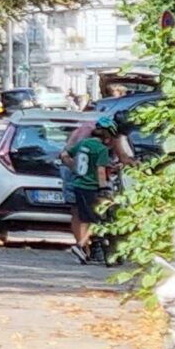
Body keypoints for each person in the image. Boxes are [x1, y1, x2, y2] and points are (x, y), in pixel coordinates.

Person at [64, 112, 121, 264]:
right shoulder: (101, 149)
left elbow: (64, 154)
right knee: (97, 220)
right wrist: (104, 189)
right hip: (91, 187)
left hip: (78, 185)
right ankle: (80, 245)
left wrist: (74, 167)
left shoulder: (84, 143)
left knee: (84, 218)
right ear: (107, 135)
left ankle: (84, 250)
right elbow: (101, 171)